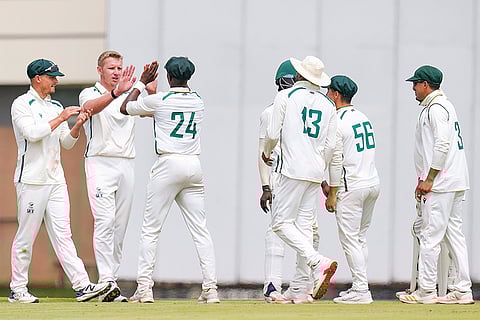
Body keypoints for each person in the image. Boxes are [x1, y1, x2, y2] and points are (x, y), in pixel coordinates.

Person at [9, 59, 111, 303]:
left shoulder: (55, 105)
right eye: (52, 77)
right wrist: (62, 116)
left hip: (56, 180)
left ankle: (82, 285)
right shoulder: (22, 104)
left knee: (64, 234)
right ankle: (18, 289)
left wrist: (76, 126)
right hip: (31, 181)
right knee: (26, 235)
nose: (56, 81)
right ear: (38, 79)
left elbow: (66, 142)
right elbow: (33, 134)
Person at [120, 57, 220, 304]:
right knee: (201, 230)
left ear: (169, 77)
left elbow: (126, 107)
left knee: (150, 229)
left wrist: (142, 83)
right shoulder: (198, 101)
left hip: (168, 163)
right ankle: (211, 288)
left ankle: (144, 288)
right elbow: (164, 113)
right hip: (193, 164)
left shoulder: (160, 100)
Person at [263, 56, 338, 303]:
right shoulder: (328, 105)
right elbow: (330, 146)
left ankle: (319, 262)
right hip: (315, 171)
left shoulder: (286, 97)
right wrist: (320, 167)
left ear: (300, 75)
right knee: (304, 228)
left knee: (281, 223)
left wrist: (266, 152)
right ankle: (300, 289)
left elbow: (273, 133)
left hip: (291, 169)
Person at [399, 65, 473, 304]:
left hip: (441, 183)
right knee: (455, 236)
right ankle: (462, 290)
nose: (413, 88)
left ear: (426, 85)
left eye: (416, 83)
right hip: (455, 180)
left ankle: (427, 290)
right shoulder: (445, 106)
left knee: (431, 236)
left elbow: (441, 145)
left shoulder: (436, 108)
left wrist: (429, 179)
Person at [78, 50, 137, 302]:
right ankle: (106, 280)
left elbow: (147, 112)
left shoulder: (128, 94)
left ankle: (110, 283)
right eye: (111, 68)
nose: (116, 72)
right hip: (100, 163)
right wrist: (116, 93)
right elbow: (90, 108)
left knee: (120, 226)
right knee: (104, 220)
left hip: (126, 164)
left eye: (119, 68)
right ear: (100, 70)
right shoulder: (89, 92)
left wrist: (149, 89)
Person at [322, 75, 380, 304]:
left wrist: (332, 192)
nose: (327, 96)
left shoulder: (337, 121)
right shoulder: (362, 116)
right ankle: (360, 285)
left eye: (329, 92)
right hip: (371, 182)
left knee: (350, 240)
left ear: (336, 94)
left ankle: (361, 289)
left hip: (351, 185)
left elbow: (336, 161)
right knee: (360, 238)